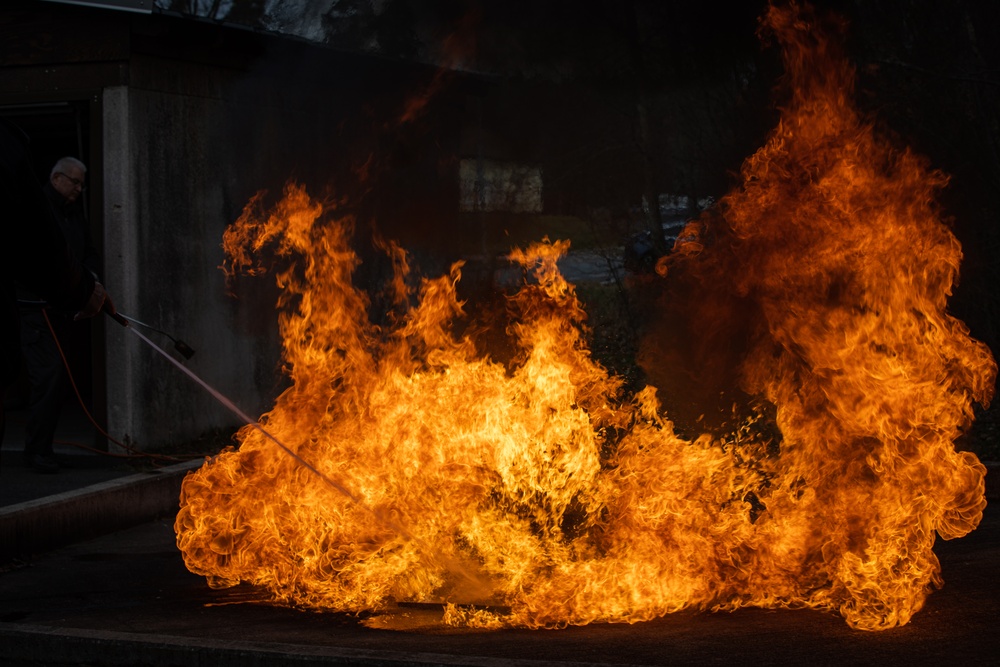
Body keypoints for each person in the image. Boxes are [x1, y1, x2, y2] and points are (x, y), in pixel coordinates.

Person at [1, 119, 113, 473]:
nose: (79, 189)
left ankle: (43, 448)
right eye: (75, 182)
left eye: (82, 184)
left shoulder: (74, 215)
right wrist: (75, 288)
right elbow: (39, 254)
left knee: (57, 378)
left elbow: (87, 252)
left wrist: (89, 280)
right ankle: (36, 452)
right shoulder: (37, 206)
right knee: (47, 376)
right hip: (36, 308)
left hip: (63, 305)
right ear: (56, 179)